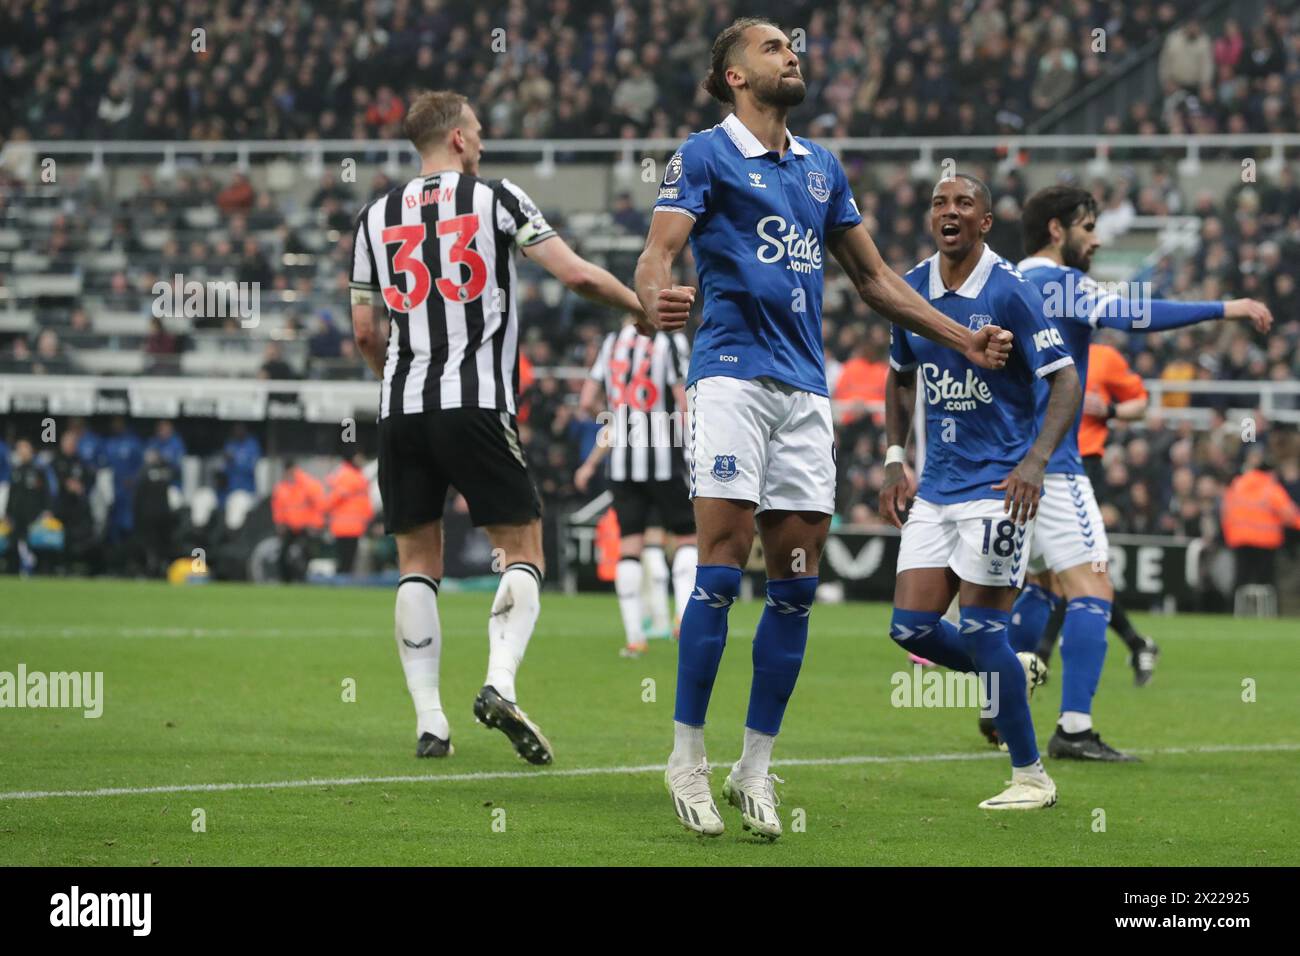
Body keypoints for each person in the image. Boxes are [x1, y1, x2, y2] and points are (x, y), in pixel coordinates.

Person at [635, 18, 1012, 839]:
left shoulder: (820, 169)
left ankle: (755, 767)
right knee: (722, 571)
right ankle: (687, 757)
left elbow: (875, 279)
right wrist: (653, 293)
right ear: (733, 74)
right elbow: (657, 253)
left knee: (798, 587)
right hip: (731, 378)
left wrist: (962, 337)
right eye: (771, 48)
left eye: (790, 46)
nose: (790, 55)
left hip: (806, 395)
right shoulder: (704, 154)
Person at [348, 89, 649, 761]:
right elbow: (574, 276)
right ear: (457, 139)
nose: (482, 143)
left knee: (416, 562)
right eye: (478, 132)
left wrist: (395, 382)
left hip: (401, 408)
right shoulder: (496, 198)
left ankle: (431, 723)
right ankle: (499, 683)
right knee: (523, 548)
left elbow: (367, 330)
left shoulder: (374, 216)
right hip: (475, 400)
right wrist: (640, 309)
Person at [1009, 184, 1272, 759]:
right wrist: (1224, 307)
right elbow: (1139, 314)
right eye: (1087, 227)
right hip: (1054, 467)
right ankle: (1074, 728)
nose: (1097, 239)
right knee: (1091, 591)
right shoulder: (1065, 285)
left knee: (1027, 587)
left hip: (998, 468)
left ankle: (994, 703)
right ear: (1057, 230)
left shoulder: (1004, 284)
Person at [880, 173, 1081, 810]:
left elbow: (1066, 381)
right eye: (939, 201)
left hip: (998, 487)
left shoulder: (1010, 292)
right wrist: (894, 458)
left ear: (985, 222)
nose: (950, 211)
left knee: (984, 629)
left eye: (964, 203)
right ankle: (1010, 675)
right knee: (910, 629)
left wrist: (1035, 462)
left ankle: (1032, 778)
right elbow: (899, 376)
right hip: (935, 488)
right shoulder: (910, 289)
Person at [575, 316, 697, 657]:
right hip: (667, 460)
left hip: (623, 463)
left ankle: (634, 637)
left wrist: (620, 415)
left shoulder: (611, 342)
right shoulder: (671, 342)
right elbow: (684, 399)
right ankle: (683, 620)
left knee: (630, 546)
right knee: (687, 537)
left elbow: (587, 403)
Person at [1221, 452, 1300, 593]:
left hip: (1239, 539)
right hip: (1265, 541)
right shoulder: (1271, 489)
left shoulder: (1237, 485)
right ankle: (1271, 612)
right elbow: (1290, 515)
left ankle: (1233, 610)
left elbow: (1225, 513)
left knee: (1241, 579)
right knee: (1267, 582)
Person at [270, 460, 326, 582]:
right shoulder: (281, 487)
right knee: (282, 554)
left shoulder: (308, 485)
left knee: (305, 553)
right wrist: (280, 523)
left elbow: (319, 506)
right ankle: (285, 580)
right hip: (289, 526)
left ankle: (302, 579)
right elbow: (278, 507)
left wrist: (315, 524)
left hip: (306, 526)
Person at [325, 451, 374, 576]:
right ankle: (340, 583)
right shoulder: (349, 476)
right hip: (345, 526)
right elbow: (334, 499)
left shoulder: (356, 476)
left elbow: (364, 501)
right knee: (345, 560)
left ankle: (341, 582)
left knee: (347, 561)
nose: (362, 460)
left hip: (352, 527)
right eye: (359, 457)